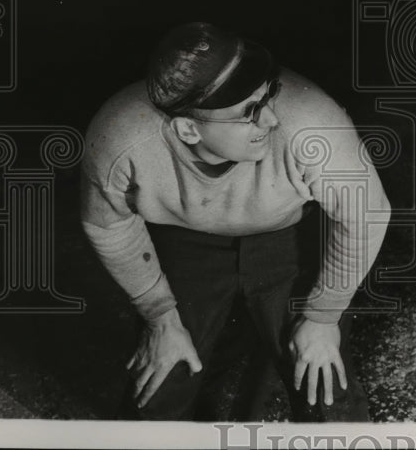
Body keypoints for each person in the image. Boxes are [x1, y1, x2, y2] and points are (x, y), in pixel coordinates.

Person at [80, 22, 390, 421]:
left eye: (268, 96)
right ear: (188, 128)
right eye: (249, 113)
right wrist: (159, 316)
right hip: (187, 239)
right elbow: (107, 225)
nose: (270, 121)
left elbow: (366, 213)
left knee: (326, 392)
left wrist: (322, 316)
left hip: (288, 235)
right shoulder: (120, 139)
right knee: (158, 390)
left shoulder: (311, 123)